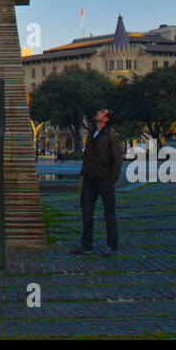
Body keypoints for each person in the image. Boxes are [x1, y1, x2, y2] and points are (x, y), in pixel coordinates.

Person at [72, 108, 122, 256]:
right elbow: (87, 154)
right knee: (86, 212)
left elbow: (117, 159)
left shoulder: (110, 135)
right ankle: (87, 245)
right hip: (89, 179)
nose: (98, 113)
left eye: (102, 112)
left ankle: (112, 245)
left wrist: (111, 179)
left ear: (106, 119)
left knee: (109, 213)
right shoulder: (92, 133)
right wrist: (83, 172)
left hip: (104, 179)